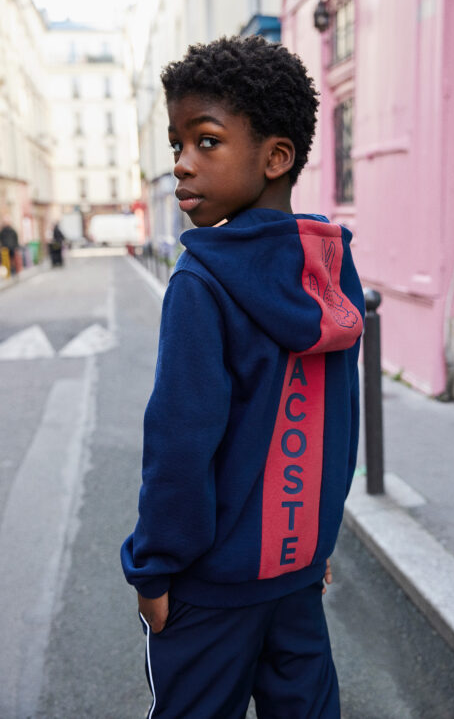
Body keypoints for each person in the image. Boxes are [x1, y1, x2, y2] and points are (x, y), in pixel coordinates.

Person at [121, 35, 364, 719]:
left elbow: (180, 443)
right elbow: (336, 423)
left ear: (275, 156)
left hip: (213, 588)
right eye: (177, 144)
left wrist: (153, 566)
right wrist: (315, 540)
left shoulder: (202, 280)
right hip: (296, 570)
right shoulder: (330, 270)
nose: (181, 163)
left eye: (206, 141)